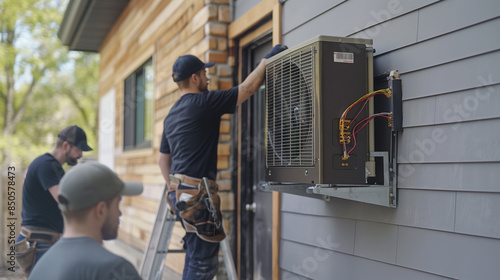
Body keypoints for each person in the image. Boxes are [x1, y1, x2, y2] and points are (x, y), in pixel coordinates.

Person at [158, 44, 287, 279]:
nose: (208, 78)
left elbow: (162, 160)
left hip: (179, 193)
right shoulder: (204, 103)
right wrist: (266, 60)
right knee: (203, 262)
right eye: (205, 74)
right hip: (197, 196)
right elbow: (247, 89)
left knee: (195, 253)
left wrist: (171, 189)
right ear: (195, 78)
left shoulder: (172, 114)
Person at [28, 161, 144, 279]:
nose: (120, 213)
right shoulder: (115, 270)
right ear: (101, 210)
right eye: (117, 204)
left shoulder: (40, 269)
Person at [15, 125, 93, 275]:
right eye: (78, 149)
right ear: (66, 146)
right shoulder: (47, 165)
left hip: (40, 240)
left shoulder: (50, 165)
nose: (80, 154)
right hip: (40, 242)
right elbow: (66, 201)